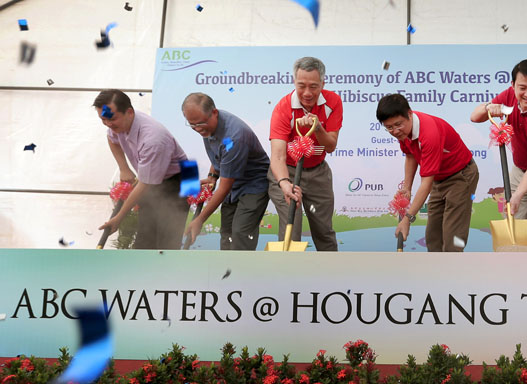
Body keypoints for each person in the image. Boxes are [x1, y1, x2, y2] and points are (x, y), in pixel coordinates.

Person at [470, 59, 527, 252]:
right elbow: (474, 116)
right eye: (522, 88)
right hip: (519, 171)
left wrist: (518, 193)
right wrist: (490, 107)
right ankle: (514, 275)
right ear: (512, 85)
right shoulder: (508, 98)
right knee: (513, 225)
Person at [377, 93, 479, 252]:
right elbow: (411, 156)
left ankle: (453, 274)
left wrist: (407, 219)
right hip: (439, 179)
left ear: (410, 114)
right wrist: (407, 188)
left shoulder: (429, 133)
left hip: (461, 176)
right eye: (389, 127)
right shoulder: (404, 131)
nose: (395, 131)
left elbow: (426, 183)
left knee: (452, 239)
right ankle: (436, 275)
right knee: (433, 238)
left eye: (398, 125)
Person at [94, 89, 189, 249]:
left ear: (129, 112)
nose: (109, 124)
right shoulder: (118, 122)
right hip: (156, 177)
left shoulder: (154, 139)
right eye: (103, 120)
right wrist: (124, 168)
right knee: (145, 239)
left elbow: (145, 184)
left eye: (112, 119)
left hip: (183, 177)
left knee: (167, 242)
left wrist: (119, 217)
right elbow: (111, 139)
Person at [268, 56, 342, 251]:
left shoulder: (332, 102)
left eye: (314, 86)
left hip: (318, 173)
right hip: (288, 172)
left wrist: (318, 128)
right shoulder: (284, 108)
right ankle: (288, 278)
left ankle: (331, 278)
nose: (307, 93)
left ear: (323, 83)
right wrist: (284, 183)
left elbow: (331, 145)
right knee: (292, 231)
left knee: (324, 231)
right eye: (301, 86)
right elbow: (277, 157)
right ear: (294, 81)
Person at [181, 93, 270, 250]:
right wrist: (212, 177)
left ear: (214, 113)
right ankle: (225, 273)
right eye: (192, 124)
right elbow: (219, 156)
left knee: (240, 234)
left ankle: (241, 273)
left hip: (253, 185)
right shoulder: (205, 124)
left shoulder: (234, 137)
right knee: (227, 235)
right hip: (231, 183)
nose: (197, 128)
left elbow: (224, 187)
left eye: (200, 123)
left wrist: (200, 219)